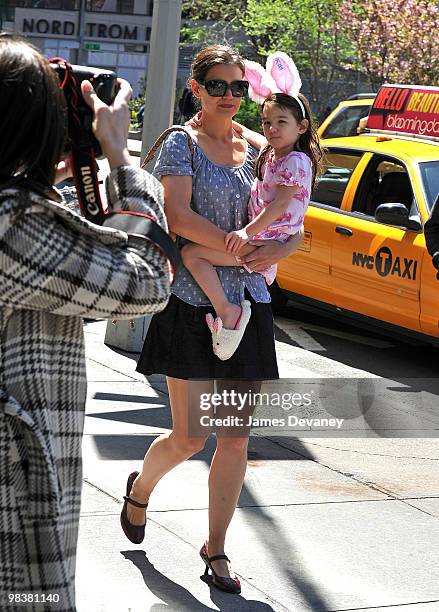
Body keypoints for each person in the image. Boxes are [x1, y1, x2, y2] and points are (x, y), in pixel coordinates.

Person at [123, 45, 304, 595]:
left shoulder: (258, 146)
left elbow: (292, 212)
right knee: (190, 436)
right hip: (193, 303)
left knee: (235, 439)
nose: (229, 96)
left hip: (250, 307)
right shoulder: (181, 145)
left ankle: (217, 550)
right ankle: (140, 489)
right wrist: (241, 252)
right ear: (197, 89)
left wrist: (287, 245)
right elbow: (178, 220)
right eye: (217, 86)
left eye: (235, 86)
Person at [0, 34, 172, 611]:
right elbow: (146, 278)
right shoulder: (13, 222)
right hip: (15, 503)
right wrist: (121, 159)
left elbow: (74, 235)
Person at [181, 52, 322, 360]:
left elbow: (279, 205)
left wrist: (246, 234)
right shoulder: (275, 152)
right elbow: (250, 135)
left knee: (192, 254)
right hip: (264, 241)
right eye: (267, 122)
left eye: (281, 123)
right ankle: (228, 311)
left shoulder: (295, 161)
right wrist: (226, 127)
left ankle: (227, 311)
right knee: (193, 254)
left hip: (262, 242)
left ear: (301, 127)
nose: (271, 129)